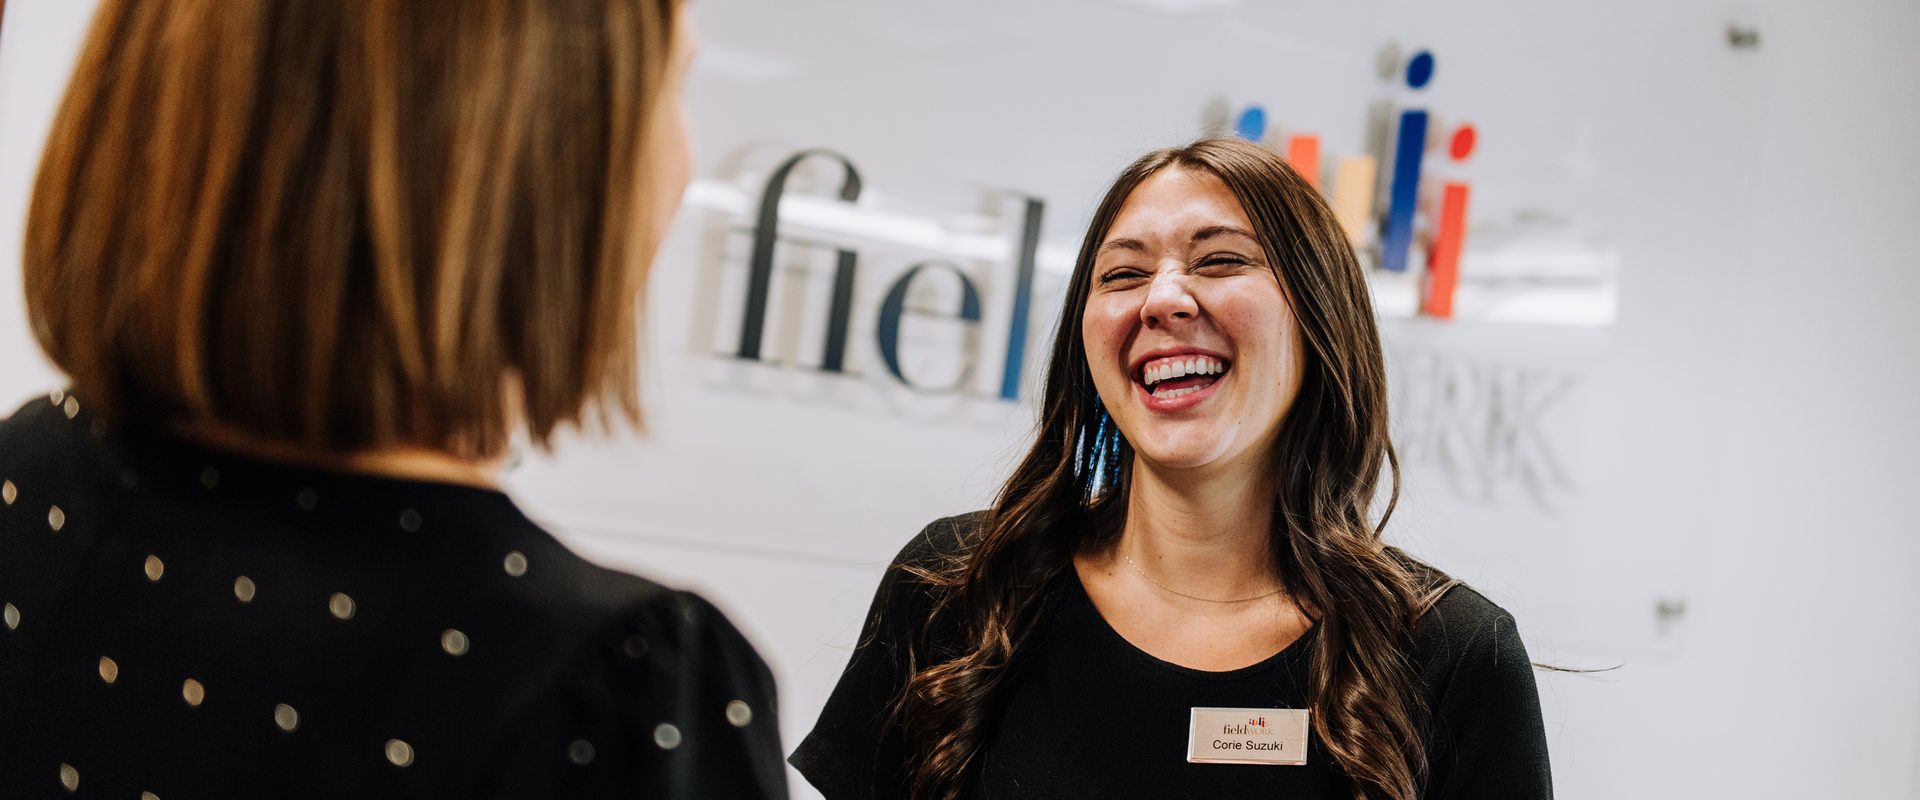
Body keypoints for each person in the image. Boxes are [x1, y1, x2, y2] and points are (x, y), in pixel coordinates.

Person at [0, 1, 787, 797]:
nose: (688, 160)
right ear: (540, 147)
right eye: (672, 87)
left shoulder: (21, 474)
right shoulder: (612, 689)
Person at [791, 137, 1552, 799]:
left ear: (1320, 320)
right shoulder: (960, 588)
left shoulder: (1451, 655)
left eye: (1219, 261)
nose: (1162, 299)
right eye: (1121, 275)